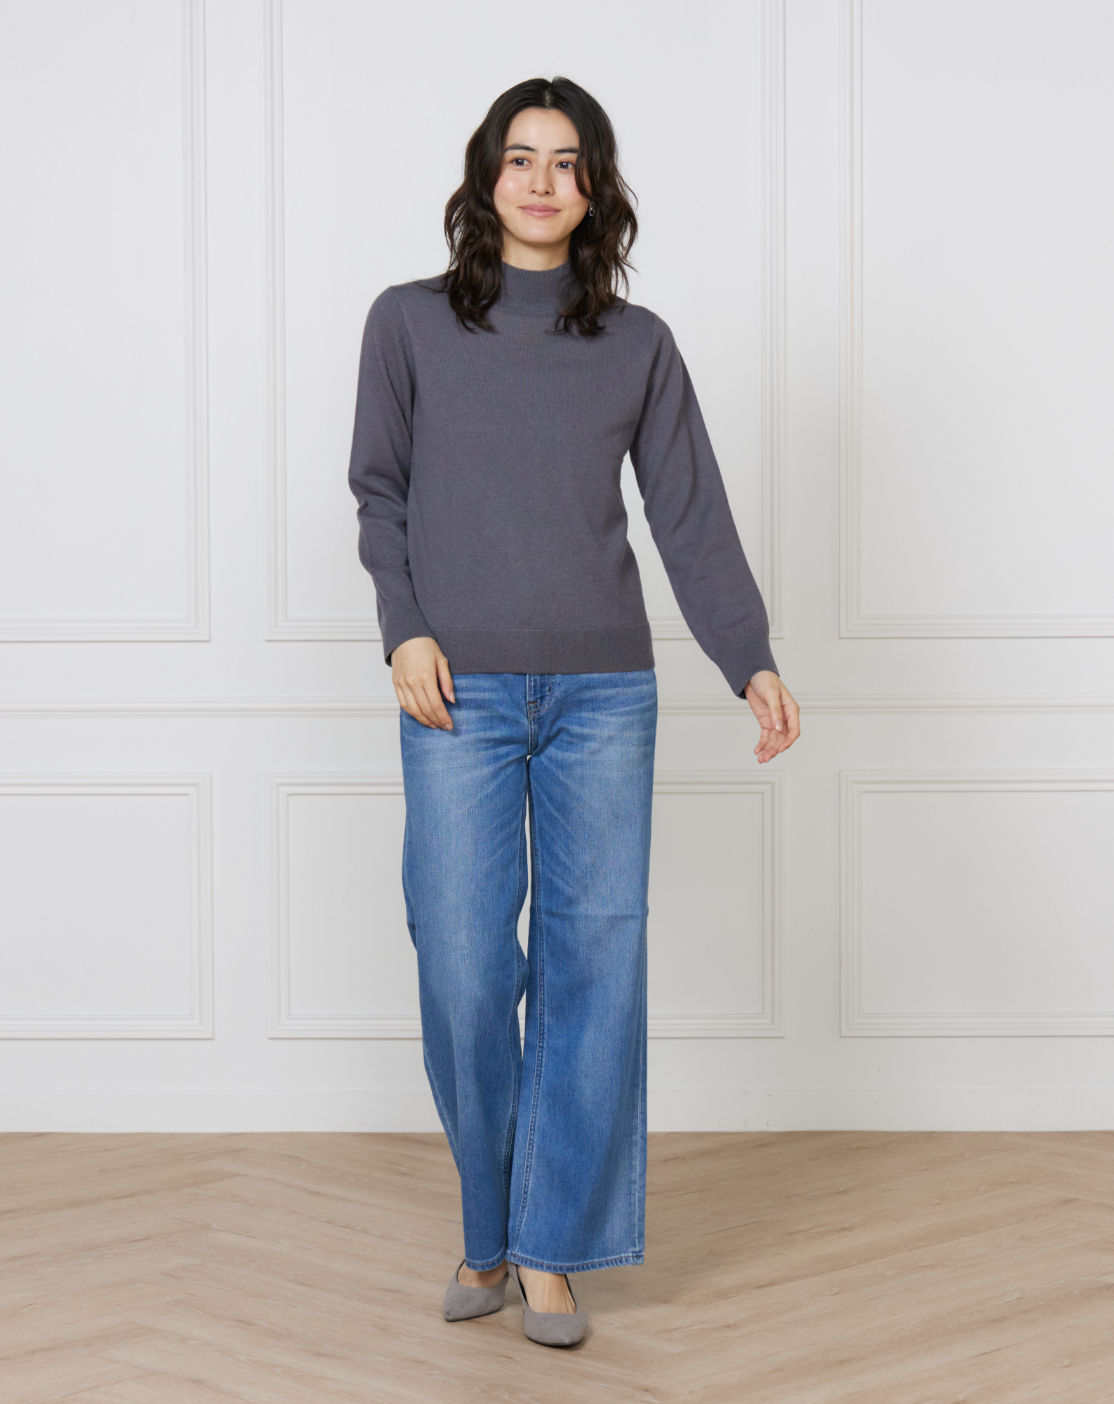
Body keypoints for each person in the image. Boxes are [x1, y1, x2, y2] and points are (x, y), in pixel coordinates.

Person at [347, 75, 800, 1348]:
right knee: (463, 964)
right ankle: (486, 1224)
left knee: (595, 968)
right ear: (485, 176)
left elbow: (689, 515)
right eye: (520, 157)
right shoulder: (408, 323)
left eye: (567, 161)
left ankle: (547, 1251)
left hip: (605, 695)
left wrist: (749, 658)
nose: (541, 181)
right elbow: (380, 493)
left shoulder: (638, 345)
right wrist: (405, 629)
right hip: (456, 690)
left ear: (594, 188)